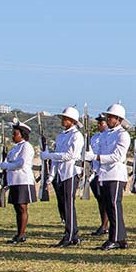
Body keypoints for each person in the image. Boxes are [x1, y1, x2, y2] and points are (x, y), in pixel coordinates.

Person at [85, 103, 131, 251]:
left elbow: (117, 156)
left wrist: (96, 157)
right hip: (104, 174)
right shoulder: (105, 134)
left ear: (118, 119)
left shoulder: (122, 135)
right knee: (109, 207)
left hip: (115, 174)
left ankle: (114, 238)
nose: (108, 119)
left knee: (114, 205)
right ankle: (120, 238)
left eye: (110, 117)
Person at [40, 106, 85, 247]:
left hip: (70, 172)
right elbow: (57, 157)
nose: (63, 120)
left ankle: (70, 235)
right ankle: (72, 234)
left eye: (65, 118)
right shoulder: (61, 136)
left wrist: (49, 155)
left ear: (72, 120)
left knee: (68, 204)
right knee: (63, 204)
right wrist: (51, 175)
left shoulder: (77, 136)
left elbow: (70, 155)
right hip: (60, 173)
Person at [1, 121, 38, 244]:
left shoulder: (26, 146)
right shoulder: (15, 148)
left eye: (15, 134)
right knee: (17, 207)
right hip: (14, 180)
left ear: (22, 135)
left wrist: (7, 166)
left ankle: (21, 235)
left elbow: (21, 163)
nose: (13, 136)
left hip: (23, 180)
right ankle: (18, 233)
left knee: (22, 207)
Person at [88, 115, 110, 236]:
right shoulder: (94, 137)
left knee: (106, 199)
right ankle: (103, 224)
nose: (99, 125)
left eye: (101, 123)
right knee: (100, 200)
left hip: (105, 171)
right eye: (98, 123)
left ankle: (105, 225)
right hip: (95, 171)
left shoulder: (109, 136)